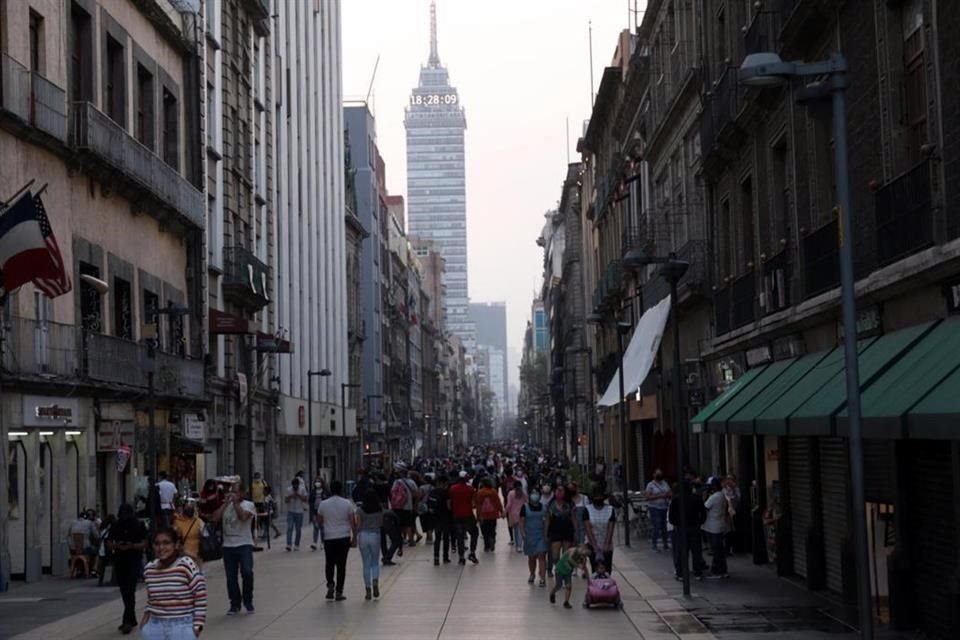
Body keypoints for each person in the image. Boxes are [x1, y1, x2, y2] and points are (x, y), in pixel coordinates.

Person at [140, 527, 207, 640]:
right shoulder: (149, 570)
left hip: (182, 627)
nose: (161, 548)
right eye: (157, 544)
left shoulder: (186, 565)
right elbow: (152, 599)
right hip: (154, 627)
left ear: (176, 545)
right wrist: (145, 623)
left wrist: (197, 627)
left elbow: (200, 597)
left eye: (166, 543)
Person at [214, 482, 257, 614]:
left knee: (247, 572)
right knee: (231, 577)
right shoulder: (226, 505)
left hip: (244, 544)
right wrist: (226, 503)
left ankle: (248, 600)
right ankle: (235, 603)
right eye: (232, 491)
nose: (233, 494)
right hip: (228, 545)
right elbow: (215, 517)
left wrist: (236, 503)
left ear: (243, 493)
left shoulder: (249, 505)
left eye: (237, 492)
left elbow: (243, 517)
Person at [316, 480, 358, 601]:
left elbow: (319, 521)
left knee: (329, 563)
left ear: (330, 489)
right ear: (341, 490)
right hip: (343, 537)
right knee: (341, 565)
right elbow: (353, 522)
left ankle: (330, 584)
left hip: (329, 537)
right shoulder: (347, 503)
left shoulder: (323, 504)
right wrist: (355, 538)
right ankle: (339, 591)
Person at [110, 503, 148, 634]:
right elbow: (109, 542)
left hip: (133, 560)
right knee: (124, 589)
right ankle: (131, 619)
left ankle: (127, 621)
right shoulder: (116, 525)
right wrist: (117, 546)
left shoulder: (138, 525)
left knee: (129, 589)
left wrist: (132, 546)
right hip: (120, 560)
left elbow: (144, 543)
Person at [669, 480, 707, 580]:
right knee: (696, 551)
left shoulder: (676, 499)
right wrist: (700, 522)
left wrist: (676, 523)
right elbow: (703, 513)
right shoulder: (696, 498)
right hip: (694, 527)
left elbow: (671, 516)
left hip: (681, 528)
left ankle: (681, 573)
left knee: (681, 551)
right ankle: (697, 572)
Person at [356, 489, 384, 600]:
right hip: (375, 535)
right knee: (375, 562)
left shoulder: (360, 510)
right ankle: (375, 582)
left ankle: (368, 590)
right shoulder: (379, 509)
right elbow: (381, 523)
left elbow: (358, 525)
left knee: (366, 564)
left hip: (363, 535)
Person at [702, 478, 730, 578]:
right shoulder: (722, 495)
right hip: (719, 525)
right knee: (719, 549)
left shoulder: (714, 497)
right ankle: (722, 569)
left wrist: (705, 496)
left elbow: (705, 507)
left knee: (716, 549)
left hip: (713, 526)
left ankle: (717, 570)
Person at [449, 471, 479, 565]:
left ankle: (461, 557)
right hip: (468, 515)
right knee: (474, 533)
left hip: (457, 516)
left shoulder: (452, 489)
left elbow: (450, 504)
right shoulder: (470, 489)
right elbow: (474, 503)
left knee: (460, 537)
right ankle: (472, 552)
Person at [584, 490, 616, 574]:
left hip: (607, 542)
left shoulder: (610, 509)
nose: (598, 498)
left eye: (600, 496)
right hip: (592, 542)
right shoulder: (587, 509)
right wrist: (594, 546)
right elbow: (587, 528)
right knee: (595, 569)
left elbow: (611, 527)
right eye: (596, 496)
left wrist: (606, 544)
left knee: (607, 569)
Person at [521, 490, 548, 587]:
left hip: (541, 536)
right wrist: (523, 533)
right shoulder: (525, 507)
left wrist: (546, 534)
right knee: (531, 557)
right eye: (533, 493)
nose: (535, 495)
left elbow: (546, 521)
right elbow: (522, 521)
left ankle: (542, 578)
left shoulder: (544, 508)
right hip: (529, 536)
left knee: (542, 556)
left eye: (537, 493)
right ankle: (532, 573)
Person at [545, 485, 576, 569]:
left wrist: (576, 532)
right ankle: (559, 568)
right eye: (557, 490)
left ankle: (564, 572)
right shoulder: (550, 505)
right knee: (555, 557)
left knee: (566, 556)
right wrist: (545, 534)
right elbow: (547, 520)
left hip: (567, 532)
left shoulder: (570, 504)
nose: (559, 492)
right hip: (555, 532)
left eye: (561, 490)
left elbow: (573, 519)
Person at [389, 467, 420, 547]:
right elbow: (416, 493)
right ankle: (410, 540)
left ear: (400, 474)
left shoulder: (396, 482)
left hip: (398, 506)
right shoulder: (411, 482)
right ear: (407, 474)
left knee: (399, 524)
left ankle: (401, 539)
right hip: (408, 506)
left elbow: (392, 492)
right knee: (408, 524)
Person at [549, 545, 587, 609]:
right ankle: (552, 592)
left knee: (569, 586)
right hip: (560, 569)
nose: (583, 551)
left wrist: (583, 565)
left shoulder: (582, 557)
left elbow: (583, 566)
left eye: (585, 551)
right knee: (558, 585)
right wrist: (578, 566)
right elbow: (570, 559)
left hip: (568, 572)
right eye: (583, 549)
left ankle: (566, 601)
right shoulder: (574, 550)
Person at [645, 469, 672, 552]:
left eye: (660, 474)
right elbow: (647, 497)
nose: (659, 475)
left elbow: (670, 493)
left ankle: (665, 544)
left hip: (664, 507)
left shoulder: (665, 483)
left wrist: (666, 495)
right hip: (654, 507)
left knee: (664, 526)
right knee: (656, 526)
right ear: (654, 475)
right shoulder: (650, 485)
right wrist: (659, 496)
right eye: (657, 474)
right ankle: (654, 545)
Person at [429, 474, 452, 566]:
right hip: (445, 517)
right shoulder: (446, 492)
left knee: (437, 538)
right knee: (446, 538)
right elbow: (449, 506)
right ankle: (445, 557)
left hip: (435, 517)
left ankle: (436, 558)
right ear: (445, 483)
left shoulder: (432, 492)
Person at [475, 478, 504, 552]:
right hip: (493, 514)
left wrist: (478, 515)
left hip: (483, 515)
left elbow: (478, 505)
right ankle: (492, 540)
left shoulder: (480, 493)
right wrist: (501, 511)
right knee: (492, 529)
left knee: (485, 531)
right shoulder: (493, 491)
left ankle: (486, 546)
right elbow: (498, 502)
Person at [174, 502, 204, 566]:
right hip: (186, 555)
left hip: (192, 555)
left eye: (191, 507)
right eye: (188, 507)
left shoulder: (177, 523)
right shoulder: (199, 521)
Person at [284, 476, 308, 551]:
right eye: (294, 486)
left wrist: (299, 495)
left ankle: (297, 544)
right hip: (290, 511)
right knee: (290, 528)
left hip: (299, 511)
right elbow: (286, 500)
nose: (295, 487)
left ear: (298, 485)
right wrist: (291, 496)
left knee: (298, 529)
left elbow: (305, 499)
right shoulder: (288, 490)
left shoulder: (302, 489)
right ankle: (289, 544)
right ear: (292, 485)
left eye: (296, 486)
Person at [505, 482, 528, 553]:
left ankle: (517, 544)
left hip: (513, 514)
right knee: (520, 530)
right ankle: (520, 546)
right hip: (522, 514)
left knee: (515, 530)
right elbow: (527, 503)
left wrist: (504, 512)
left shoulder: (511, 493)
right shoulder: (524, 493)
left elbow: (509, 505)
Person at [309, 476, 328, 551]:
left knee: (322, 528)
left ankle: (323, 542)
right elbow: (310, 501)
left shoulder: (325, 491)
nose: (317, 483)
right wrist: (312, 509)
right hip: (315, 511)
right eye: (316, 482)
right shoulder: (313, 491)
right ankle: (314, 543)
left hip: (323, 512)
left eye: (319, 481)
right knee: (315, 527)